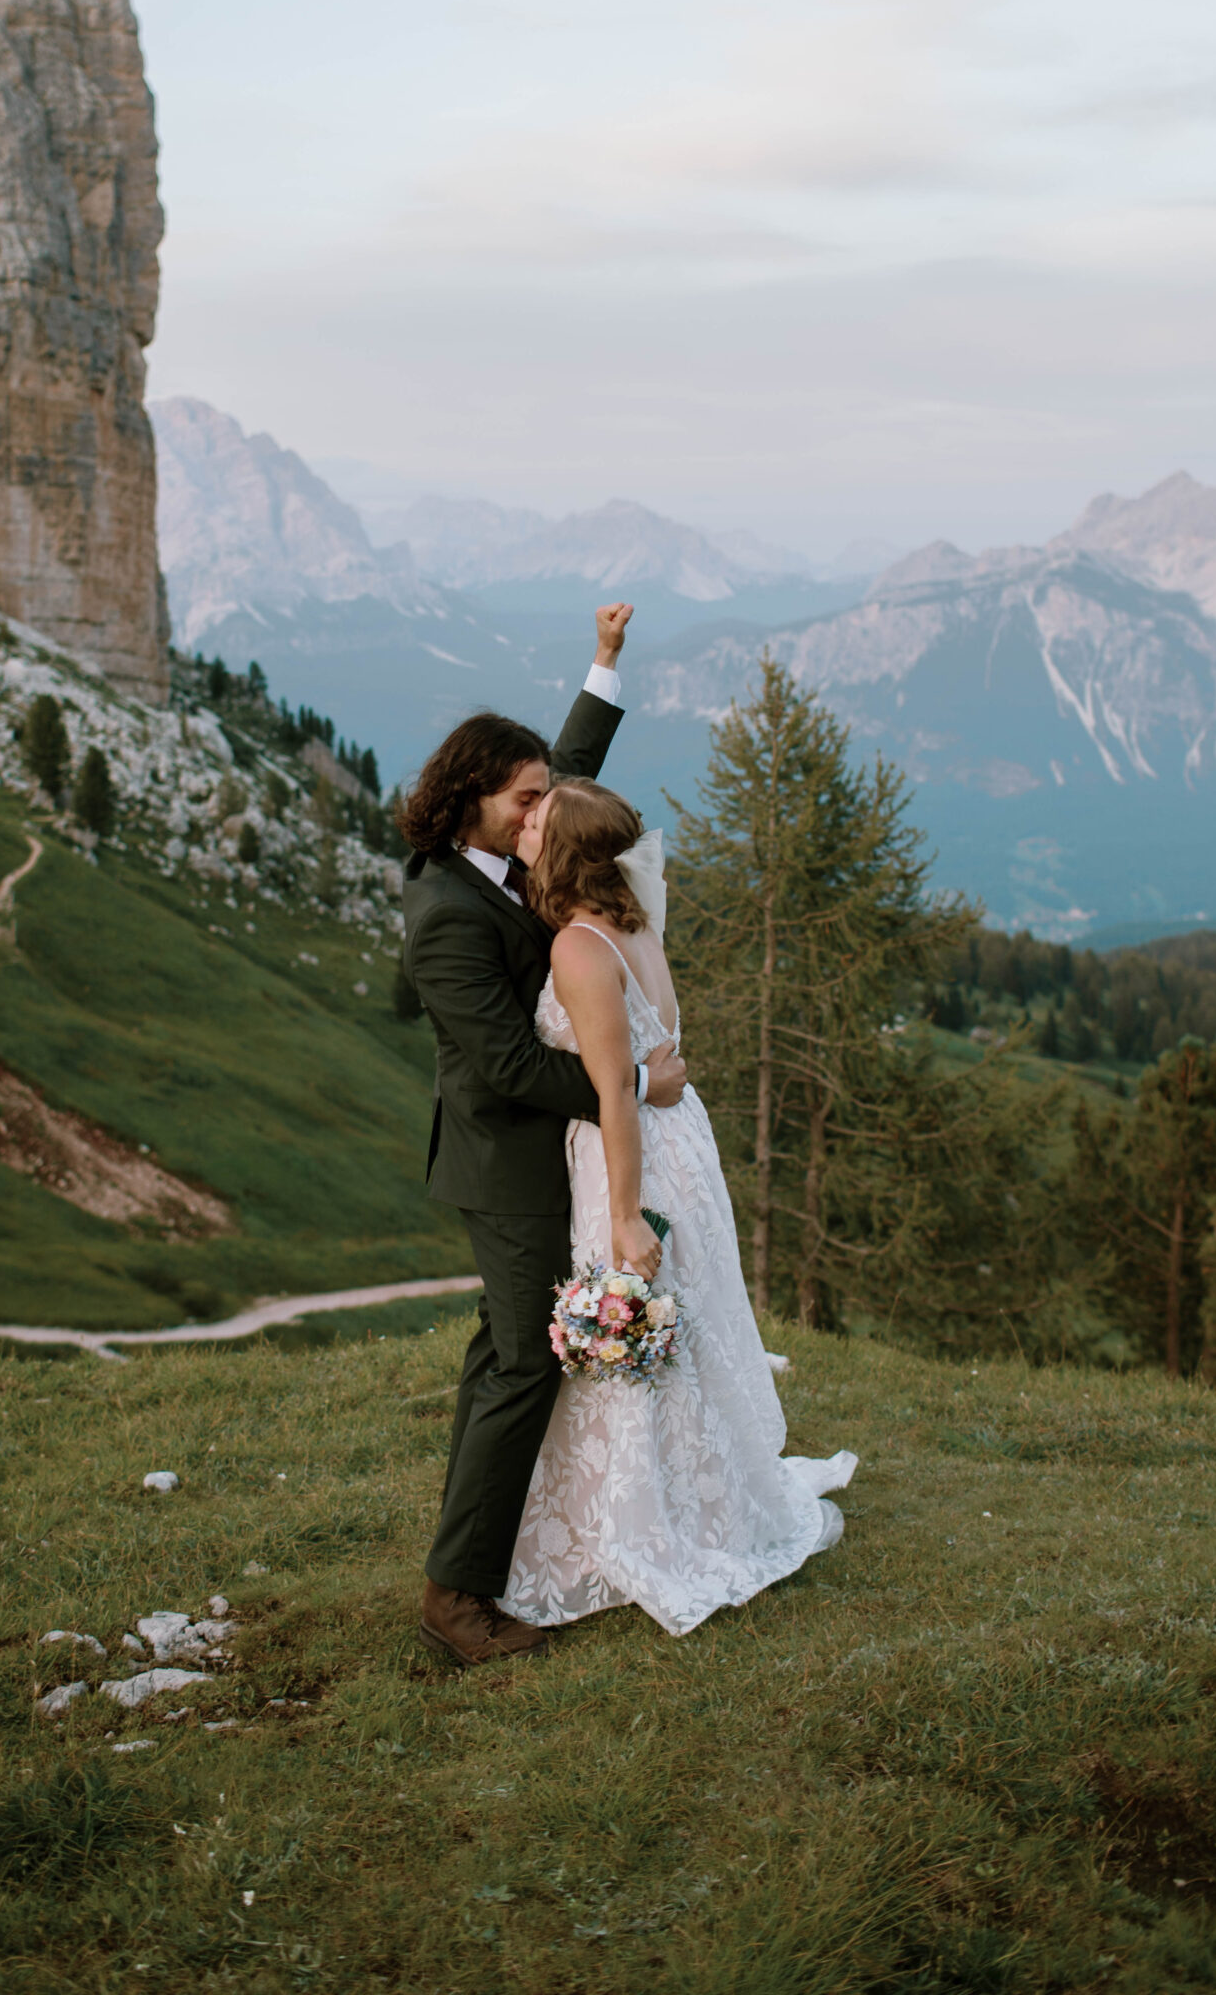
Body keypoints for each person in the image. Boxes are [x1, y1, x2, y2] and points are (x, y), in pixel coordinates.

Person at [399, 604, 689, 1668]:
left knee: (506, 1363)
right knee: (526, 1365)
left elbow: (561, 773)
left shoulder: (505, 847)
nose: (542, 814)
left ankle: (485, 1552)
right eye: (525, 802)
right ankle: (456, 1599)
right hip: (507, 1163)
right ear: (473, 804)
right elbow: (511, 1068)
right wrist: (627, 1086)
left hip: (543, 1157)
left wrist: (604, 667)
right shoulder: (444, 915)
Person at [500, 777, 857, 1637]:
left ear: (565, 852)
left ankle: (645, 1525)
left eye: (538, 819)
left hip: (632, 1157)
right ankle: (700, 1498)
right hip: (680, 1144)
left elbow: (616, 1096)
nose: (523, 823)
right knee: (675, 1327)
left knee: (634, 1327)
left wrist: (624, 1215)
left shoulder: (579, 950)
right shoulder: (632, 921)